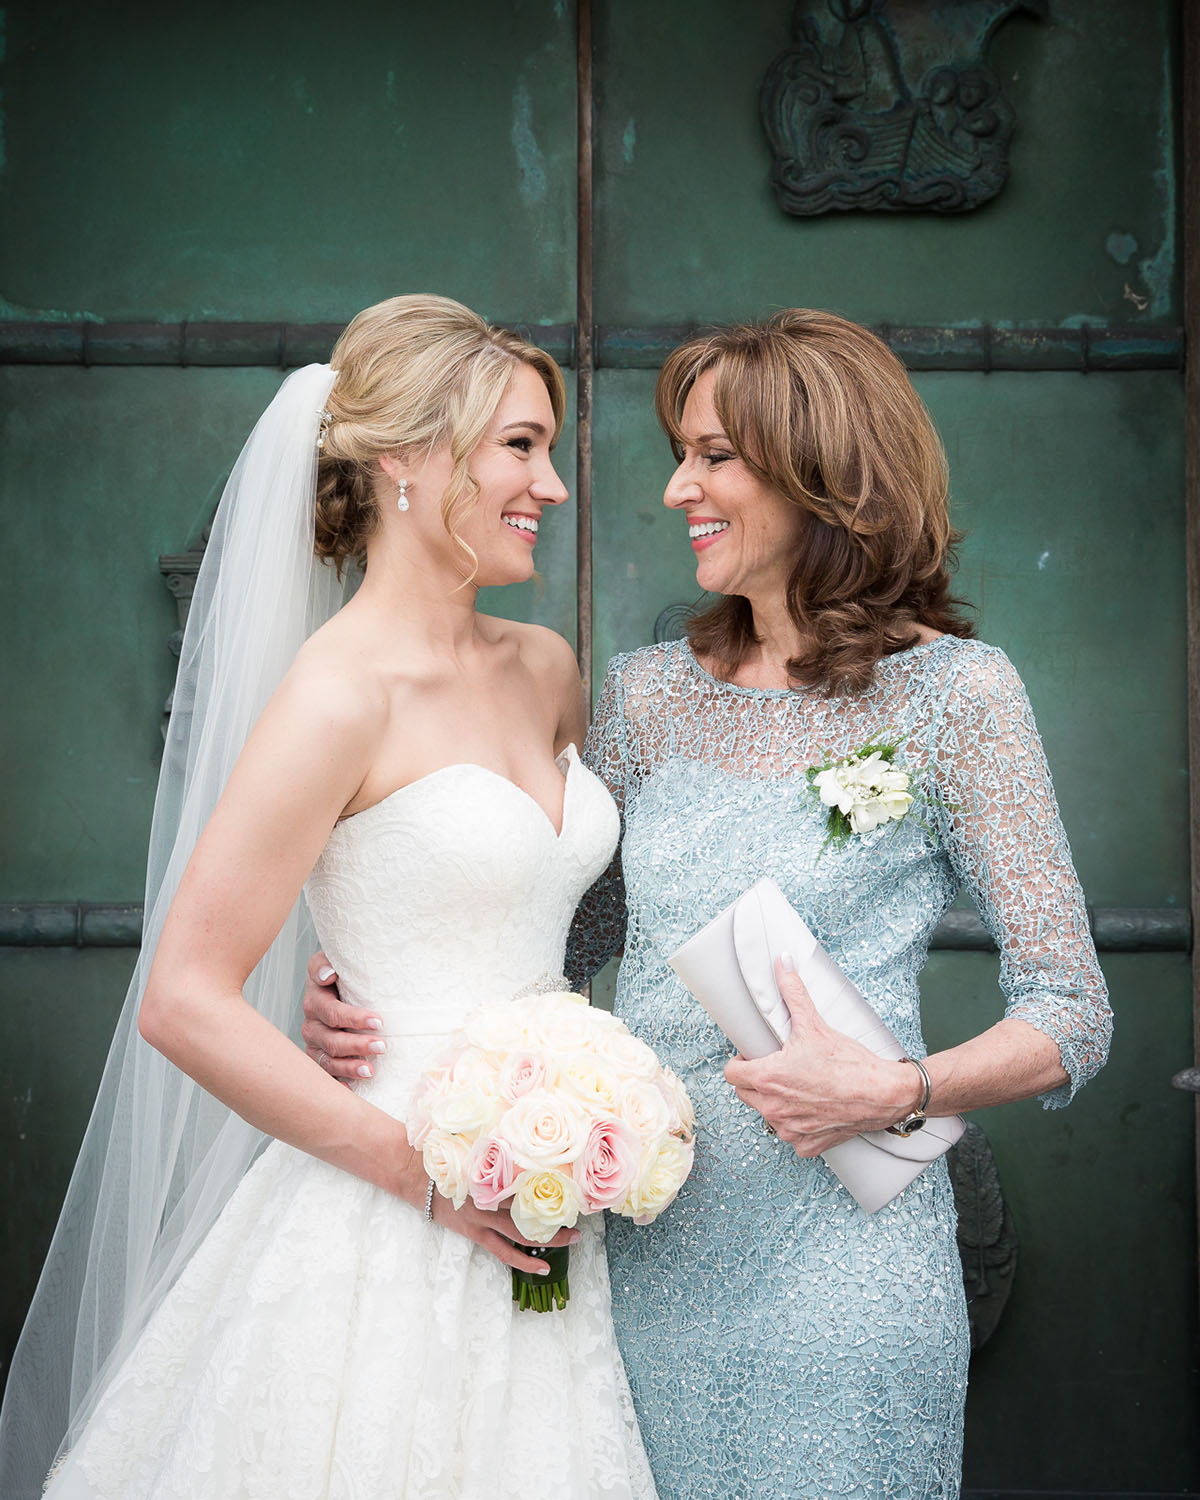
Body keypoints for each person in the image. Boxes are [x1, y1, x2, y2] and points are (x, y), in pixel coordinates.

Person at [304, 310, 1113, 1500]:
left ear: (820, 473)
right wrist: (370, 987)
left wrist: (901, 1089)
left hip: (848, 1271)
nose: (679, 485)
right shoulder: (644, 696)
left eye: (714, 456)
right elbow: (566, 942)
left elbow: (1073, 1008)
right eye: (682, 452)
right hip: (635, 1254)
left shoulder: (960, 696)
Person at [0, 295, 656, 1500]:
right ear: (407, 459)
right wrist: (423, 1176)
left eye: (546, 450)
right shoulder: (337, 695)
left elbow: (552, 914)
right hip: (387, 1208)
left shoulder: (549, 671)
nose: (552, 486)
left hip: (554, 1192)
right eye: (520, 445)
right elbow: (184, 998)